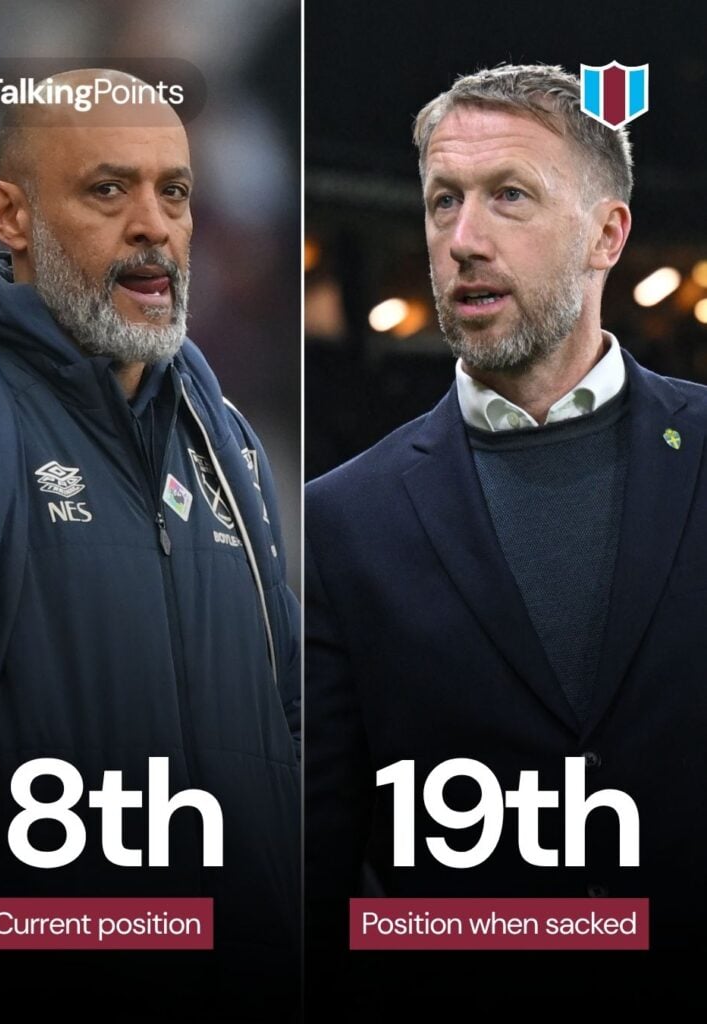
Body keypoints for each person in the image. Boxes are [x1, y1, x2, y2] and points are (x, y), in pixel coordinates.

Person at [0, 68, 299, 1021]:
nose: (154, 225)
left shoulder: (225, 436)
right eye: (107, 190)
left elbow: (284, 718)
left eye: (176, 192)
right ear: (9, 215)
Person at [306, 64, 707, 1014]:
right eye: (443, 201)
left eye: (509, 197)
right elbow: (316, 868)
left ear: (605, 235)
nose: (462, 240)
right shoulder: (341, 520)